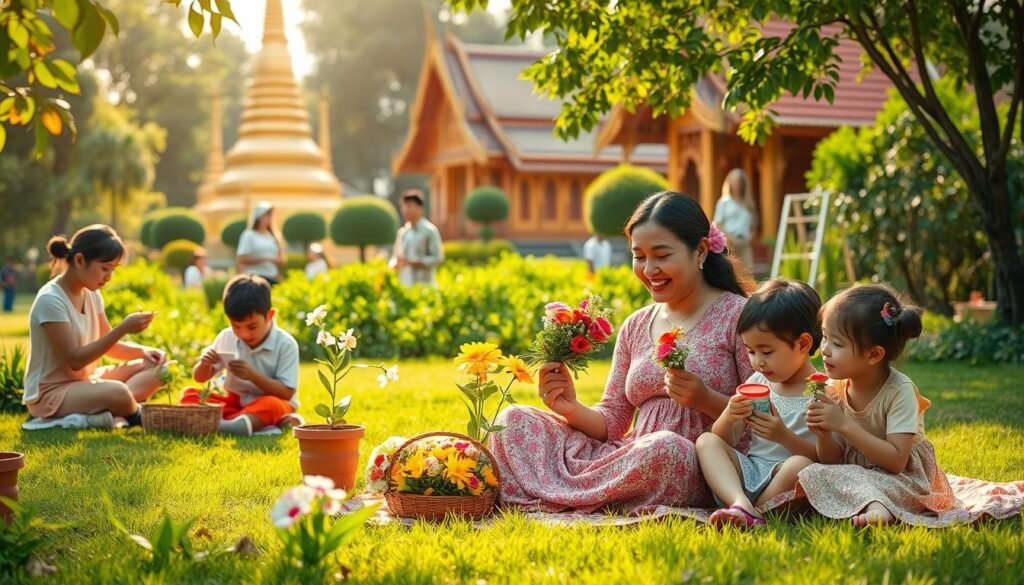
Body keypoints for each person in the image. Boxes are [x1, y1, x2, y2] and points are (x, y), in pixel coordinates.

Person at [489, 191, 755, 512]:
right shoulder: (636, 325)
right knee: (513, 419)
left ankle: (555, 493)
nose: (649, 269)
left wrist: (705, 399)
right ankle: (578, 493)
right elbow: (613, 420)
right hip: (630, 454)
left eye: (661, 255)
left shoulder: (740, 316)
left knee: (665, 449)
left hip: (698, 462)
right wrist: (570, 407)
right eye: (639, 256)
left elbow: (769, 415)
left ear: (699, 250)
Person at [800, 284, 956, 526]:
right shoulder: (835, 388)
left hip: (904, 478)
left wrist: (843, 425)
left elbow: (896, 462)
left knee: (869, 481)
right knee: (813, 472)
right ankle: (869, 504)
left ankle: (880, 510)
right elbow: (832, 461)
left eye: (837, 344)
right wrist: (824, 436)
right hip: (859, 474)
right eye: (825, 338)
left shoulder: (899, 392)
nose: (825, 351)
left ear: (873, 355)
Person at [696, 278, 822, 529]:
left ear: (803, 344)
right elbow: (725, 440)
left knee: (802, 466)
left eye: (767, 352)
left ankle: (753, 512)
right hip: (750, 471)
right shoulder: (758, 382)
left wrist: (783, 436)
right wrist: (730, 416)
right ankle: (740, 503)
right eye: (750, 351)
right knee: (706, 441)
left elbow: (826, 458)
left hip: (785, 479)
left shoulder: (820, 390)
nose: (757, 362)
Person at [23, 225, 167, 426]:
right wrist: (123, 328)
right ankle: (134, 415)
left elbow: (111, 347)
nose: (108, 277)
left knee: (160, 368)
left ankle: (116, 408)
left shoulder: (91, 294)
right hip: (53, 394)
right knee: (117, 391)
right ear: (80, 260)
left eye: (112, 270)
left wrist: (145, 352)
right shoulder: (51, 300)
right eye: (105, 268)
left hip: (86, 381)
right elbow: (75, 360)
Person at [185, 274, 300, 437]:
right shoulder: (226, 337)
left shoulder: (286, 344)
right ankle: (242, 424)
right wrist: (204, 364)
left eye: (252, 327)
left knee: (273, 405)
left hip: (270, 401)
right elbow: (200, 378)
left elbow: (286, 393)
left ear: (270, 315)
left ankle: (224, 424)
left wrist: (252, 375)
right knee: (190, 395)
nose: (244, 333)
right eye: (236, 326)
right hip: (235, 402)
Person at [389, 190, 444, 287]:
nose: (405, 209)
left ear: (420, 208)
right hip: (405, 285)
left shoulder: (429, 231)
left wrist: (414, 262)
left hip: (425, 286)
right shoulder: (402, 233)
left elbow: (438, 257)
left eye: (409, 206)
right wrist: (394, 264)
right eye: (403, 206)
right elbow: (395, 257)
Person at [713, 168, 757, 269]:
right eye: (735, 181)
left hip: (745, 245)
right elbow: (718, 224)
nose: (737, 184)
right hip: (729, 244)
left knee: (747, 274)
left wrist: (748, 239)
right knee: (731, 273)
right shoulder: (724, 203)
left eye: (739, 181)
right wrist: (732, 239)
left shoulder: (749, 204)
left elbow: (753, 226)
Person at [237, 201, 285, 285]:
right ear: (258, 217)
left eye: (270, 215)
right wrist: (264, 259)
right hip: (253, 278)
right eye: (266, 215)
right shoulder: (249, 235)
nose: (269, 218)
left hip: (271, 277)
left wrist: (272, 261)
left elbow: (281, 259)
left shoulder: (274, 236)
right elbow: (242, 258)